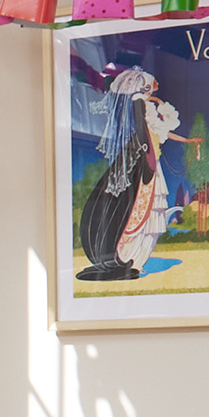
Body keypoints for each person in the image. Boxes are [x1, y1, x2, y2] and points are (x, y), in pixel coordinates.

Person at [72, 70, 185, 284]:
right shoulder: (139, 102)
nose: (156, 82)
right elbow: (150, 131)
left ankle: (135, 259)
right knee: (138, 207)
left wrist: (159, 104)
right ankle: (130, 257)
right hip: (145, 158)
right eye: (153, 81)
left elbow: (164, 130)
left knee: (145, 207)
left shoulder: (146, 104)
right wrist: (147, 153)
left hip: (148, 157)